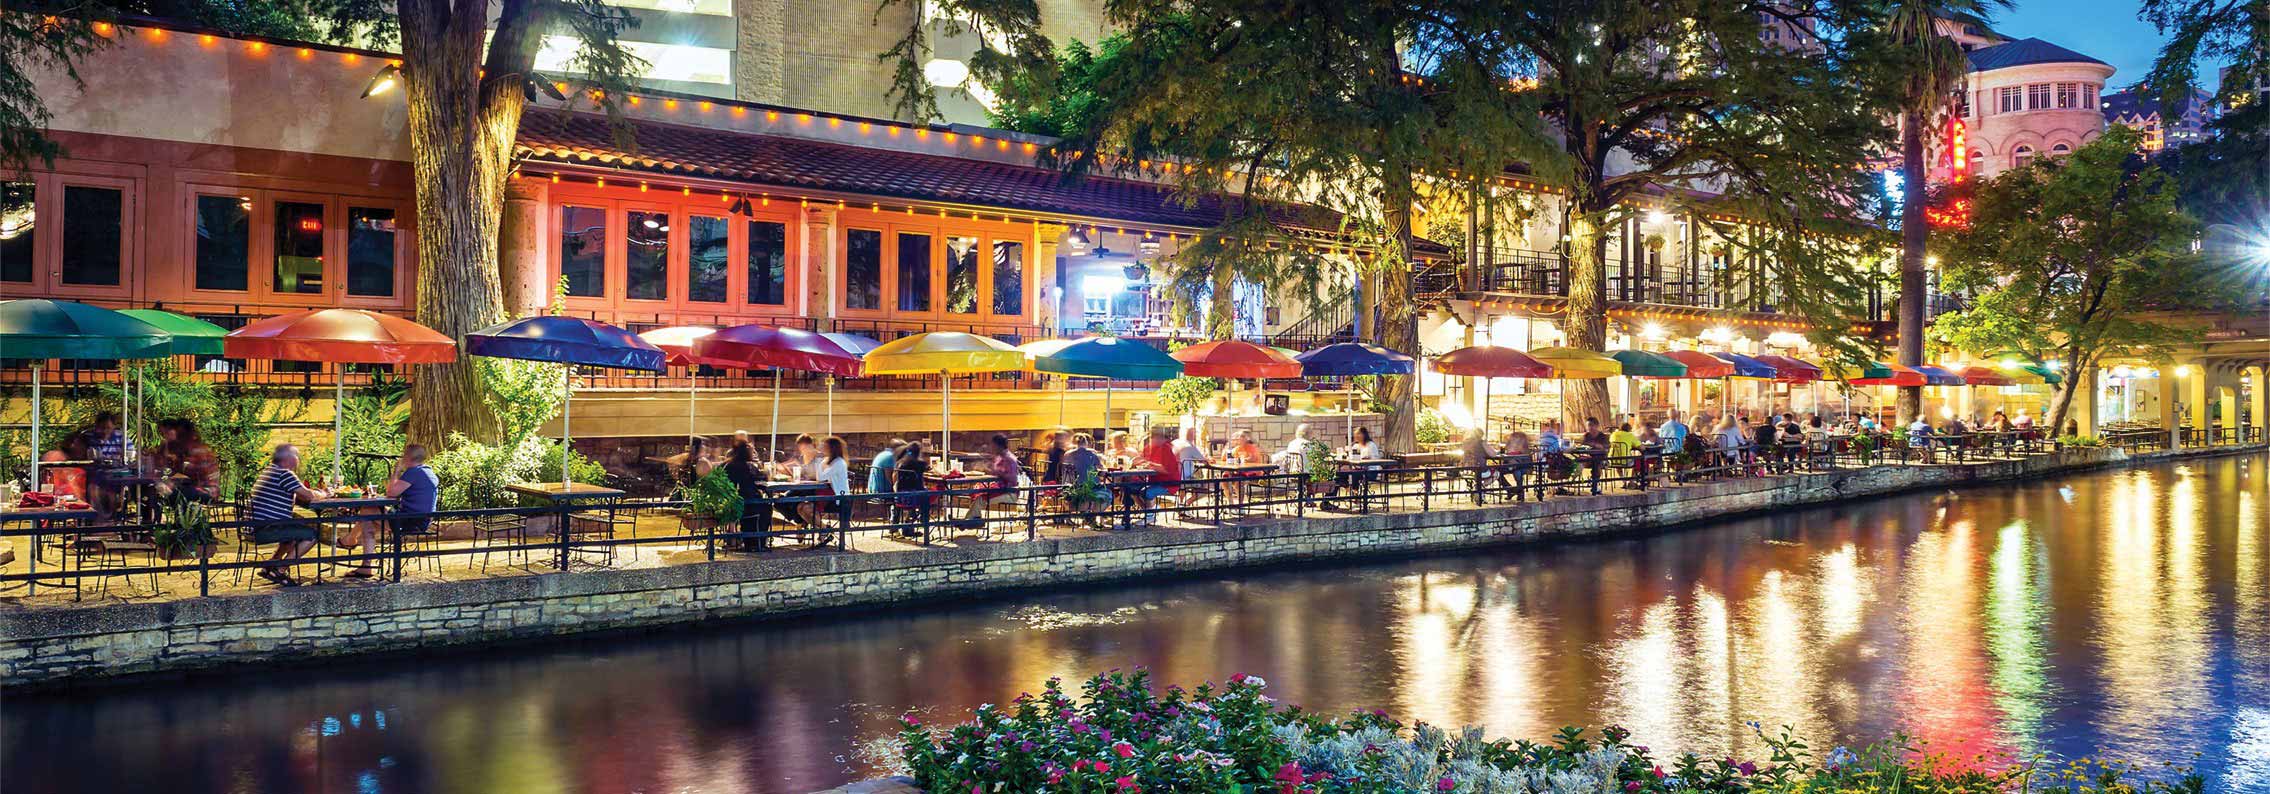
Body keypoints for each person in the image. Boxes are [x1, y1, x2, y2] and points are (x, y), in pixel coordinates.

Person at [247, 445, 328, 587]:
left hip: (255, 526)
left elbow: (296, 494)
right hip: (265, 528)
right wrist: (325, 494)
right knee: (312, 535)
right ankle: (280, 570)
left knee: (291, 536)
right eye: (297, 457)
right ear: (289, 459)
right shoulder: (284, 474)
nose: (298, 461)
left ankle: (269, 566)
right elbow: (309, 496)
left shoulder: (269, 471)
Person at [719, 441, 770, 546]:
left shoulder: (727, 464)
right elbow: (761, 481)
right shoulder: (748, 466)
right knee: (767, 506)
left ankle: (742, 537)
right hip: (746, 504)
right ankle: (760, 540)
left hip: (727, 503)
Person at [964, 433, 1021, 522]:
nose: (992, 448)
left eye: (993, 446)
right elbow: (996, 472)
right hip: (1000, 489)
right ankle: (972, 519)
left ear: (999, 446)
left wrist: (998, 473)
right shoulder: (999, 457)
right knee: (977, 493)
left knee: (980, 499)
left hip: (1009, 492)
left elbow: (1013, 478)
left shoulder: (1010, 459)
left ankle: (971, 521)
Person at [891, 440, 930, 532]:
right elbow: (921, 482)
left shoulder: (900, 462)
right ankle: (924, 521)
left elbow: (894, 477)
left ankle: (896, 525)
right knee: (928, 495)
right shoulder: (920, 464)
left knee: (921, 492)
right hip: (913, 497)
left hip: (899, 496)